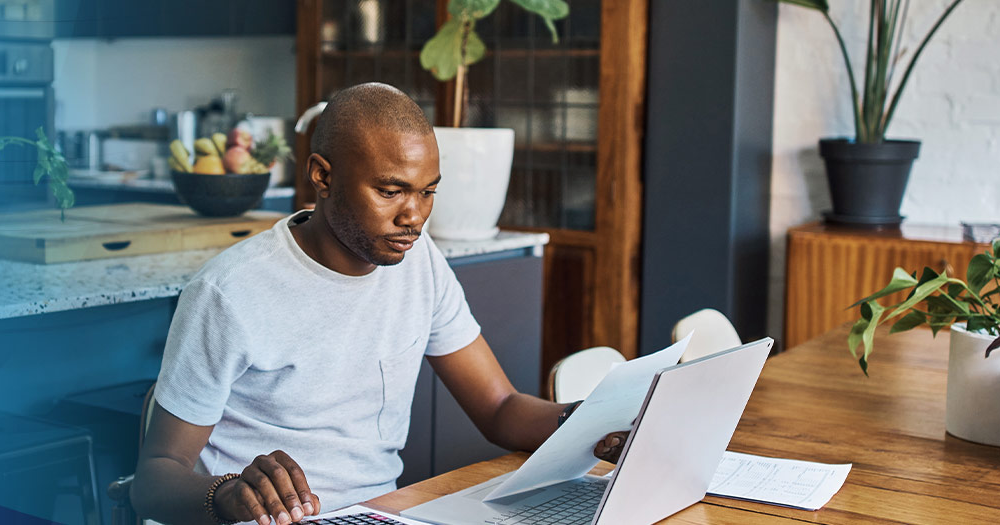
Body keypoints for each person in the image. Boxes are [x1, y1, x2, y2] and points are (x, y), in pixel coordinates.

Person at [131, 83, 628, 525]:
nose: (413, 216)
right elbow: (153, 481)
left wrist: (590, 423)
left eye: (427, 192)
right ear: (322, 177)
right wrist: (229, 494)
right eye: (390, 192)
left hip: (380, 516)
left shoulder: (421, 263)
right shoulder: (229, 292)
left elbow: (499, 408)